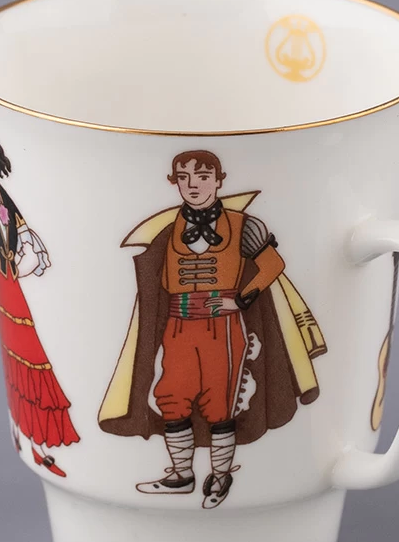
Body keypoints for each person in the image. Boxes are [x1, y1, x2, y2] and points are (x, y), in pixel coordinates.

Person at [98, 150, 326, 508]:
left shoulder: (244, 225)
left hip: (223, 328)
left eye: (203, 177)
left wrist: (242, 300)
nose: (193, 185)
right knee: (170, 397)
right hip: (178, 326)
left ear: (219, 181)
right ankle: (181, 474)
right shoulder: (166, 229)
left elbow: (272, 264)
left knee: (220, 402)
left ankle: (221, 476)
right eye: (184, 177)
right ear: (174, 182)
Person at [0, 106, 78, 477]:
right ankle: (35, 443)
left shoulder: (0, 192)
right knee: (23, 358)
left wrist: (33, 252)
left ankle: (38, 443)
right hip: (8, 281)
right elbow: (1, 239)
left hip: (13, 283)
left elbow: (21, 230)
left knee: (31, 358)